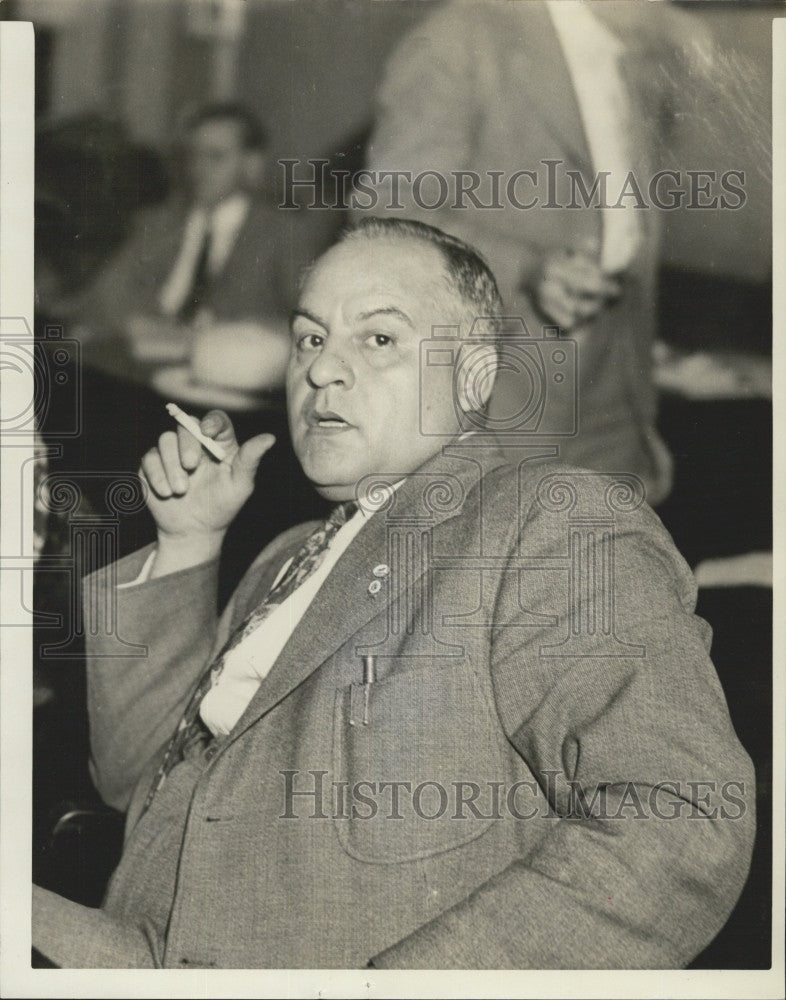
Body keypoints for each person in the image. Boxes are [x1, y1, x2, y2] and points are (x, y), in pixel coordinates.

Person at [32, 218, 754, 969]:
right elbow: (131, 788)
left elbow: (682, 815)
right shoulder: (282, 558)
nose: (321, 371)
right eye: (310, 338)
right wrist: (188, 542)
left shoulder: (542, 525)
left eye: (378, 339)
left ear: (474, 377)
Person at [359, 0, 716, 506]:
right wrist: (525, 268)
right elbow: (388, 217)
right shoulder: (460, 37)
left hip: (618, 374)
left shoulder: (644, 53)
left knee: (610, 569)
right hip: (506, 383)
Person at [61, 102, 297, 345]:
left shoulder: (281, 232)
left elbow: (305, 317)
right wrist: (136, 324)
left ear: (252, 165)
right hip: (149, 352)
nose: (199, 169)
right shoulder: (160, 221)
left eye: (216, 157)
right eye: (194, 155)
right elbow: (107, 291)